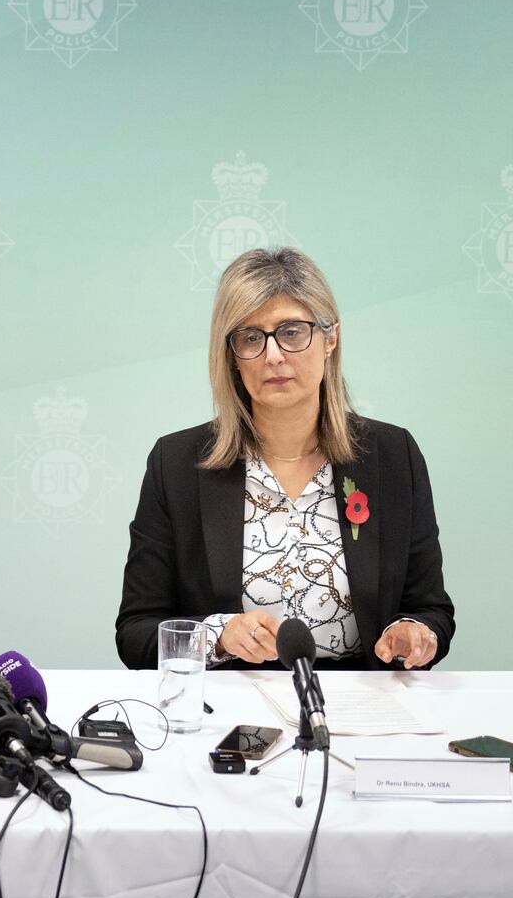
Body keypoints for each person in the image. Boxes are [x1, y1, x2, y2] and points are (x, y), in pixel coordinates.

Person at [116, 247, 452, 671]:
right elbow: (135, 633)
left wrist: (415, 632)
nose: (273, 355)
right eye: (251, 337)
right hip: (232, 711)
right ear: (232, 357)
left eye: (292, 331)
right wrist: (218, 637)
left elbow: (432, 610)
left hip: (360, 707)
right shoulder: (178, 464)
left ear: (330, 339)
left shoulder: (391, 456)